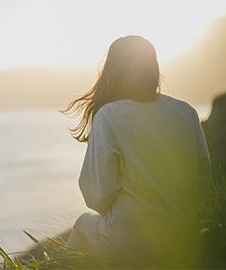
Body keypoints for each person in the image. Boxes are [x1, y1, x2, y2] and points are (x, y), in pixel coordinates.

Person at [61, 35, 211, 267]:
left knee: (82, 225)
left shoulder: (109, 116)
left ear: (113, 72)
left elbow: (97, 196)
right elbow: (203, 181)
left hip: (132, 241)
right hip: (183, 237)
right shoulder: (186, 112)